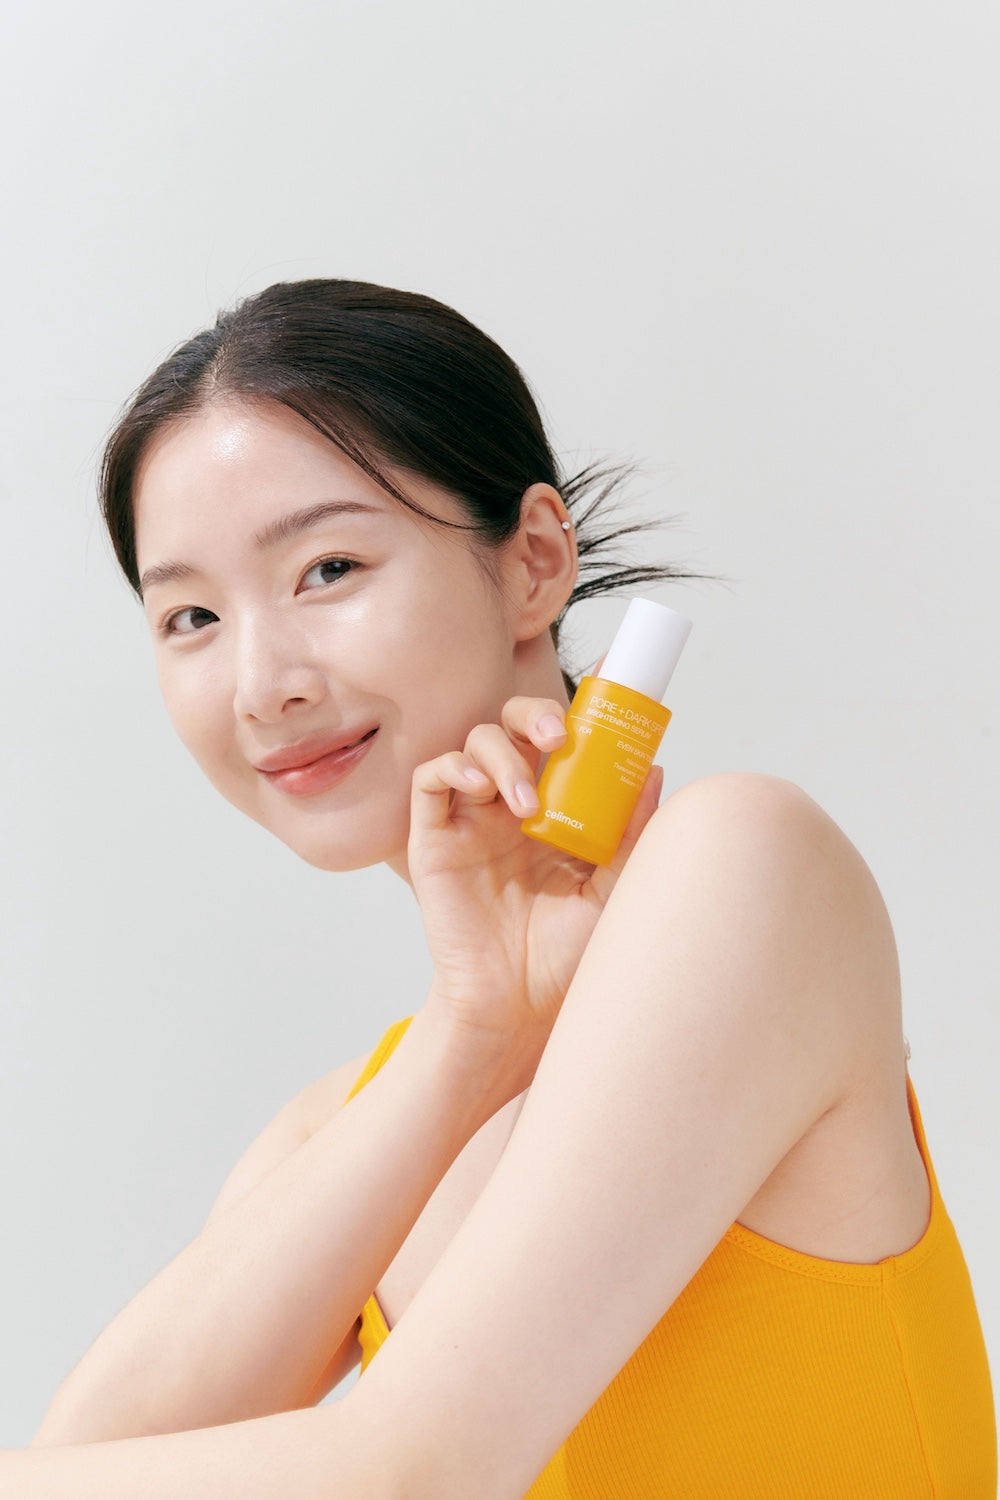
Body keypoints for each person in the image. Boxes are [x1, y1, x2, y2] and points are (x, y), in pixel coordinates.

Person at [5, 280, 994, 1497]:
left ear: (534, 562)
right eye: (192, 616)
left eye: (326, 568)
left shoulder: (743, 865)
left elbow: (418, 1471)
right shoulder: (340, 1126)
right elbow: (81, 1470)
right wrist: (472, 1038)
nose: (263, 685)